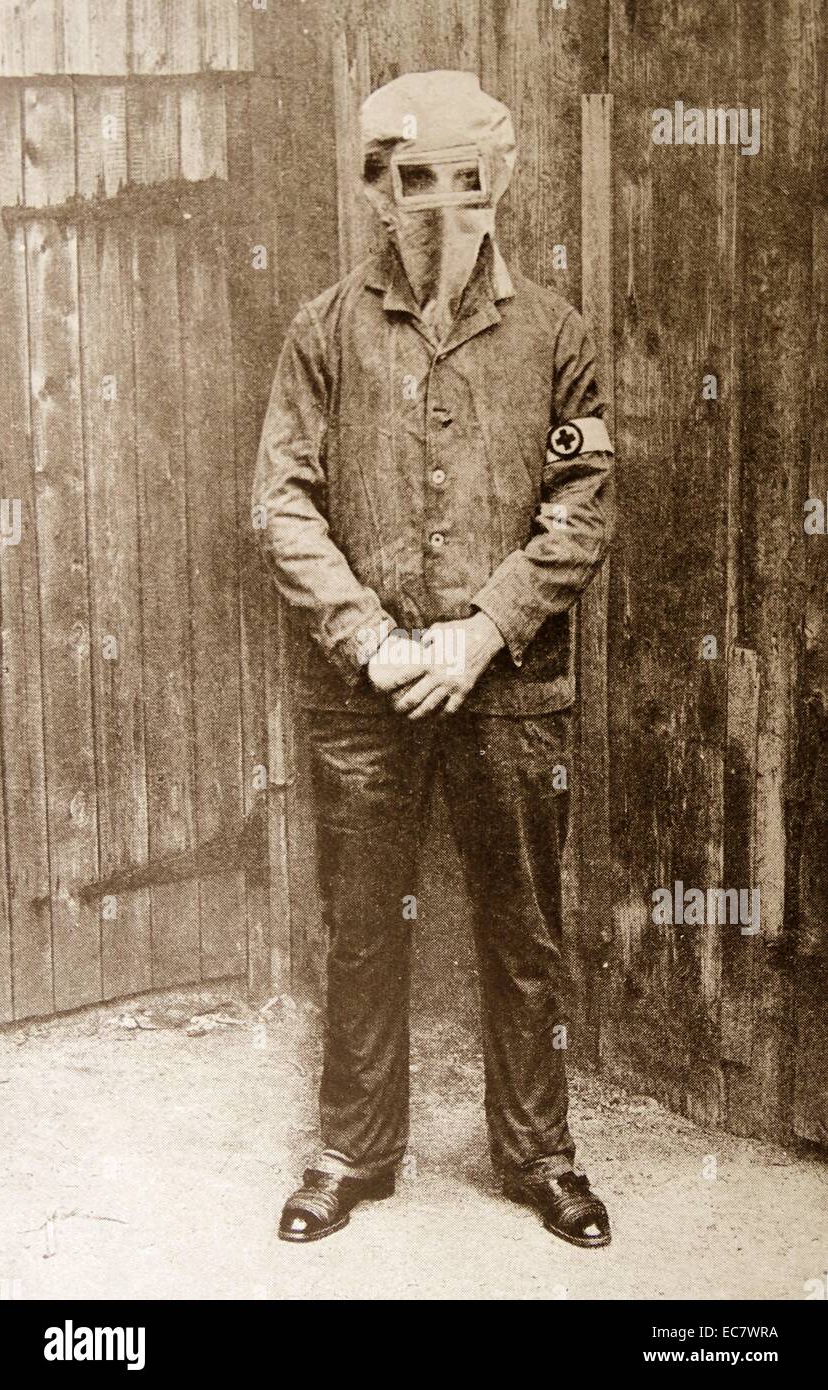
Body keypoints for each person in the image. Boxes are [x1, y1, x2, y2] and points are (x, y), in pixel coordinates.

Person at [253, 69, 615, 1248]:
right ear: (375, 189)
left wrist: (484, 629)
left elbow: (584, 502)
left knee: (524, 928)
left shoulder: (557, 335)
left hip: (510, 692)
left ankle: (540, 1154)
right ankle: (353, 1150)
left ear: (502, 182)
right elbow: (285, 507)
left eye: (467, 184)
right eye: (413, 184)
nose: (442, 213)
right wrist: (368, 635)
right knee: (363, 925)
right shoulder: (322, 329)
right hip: (367, 695)